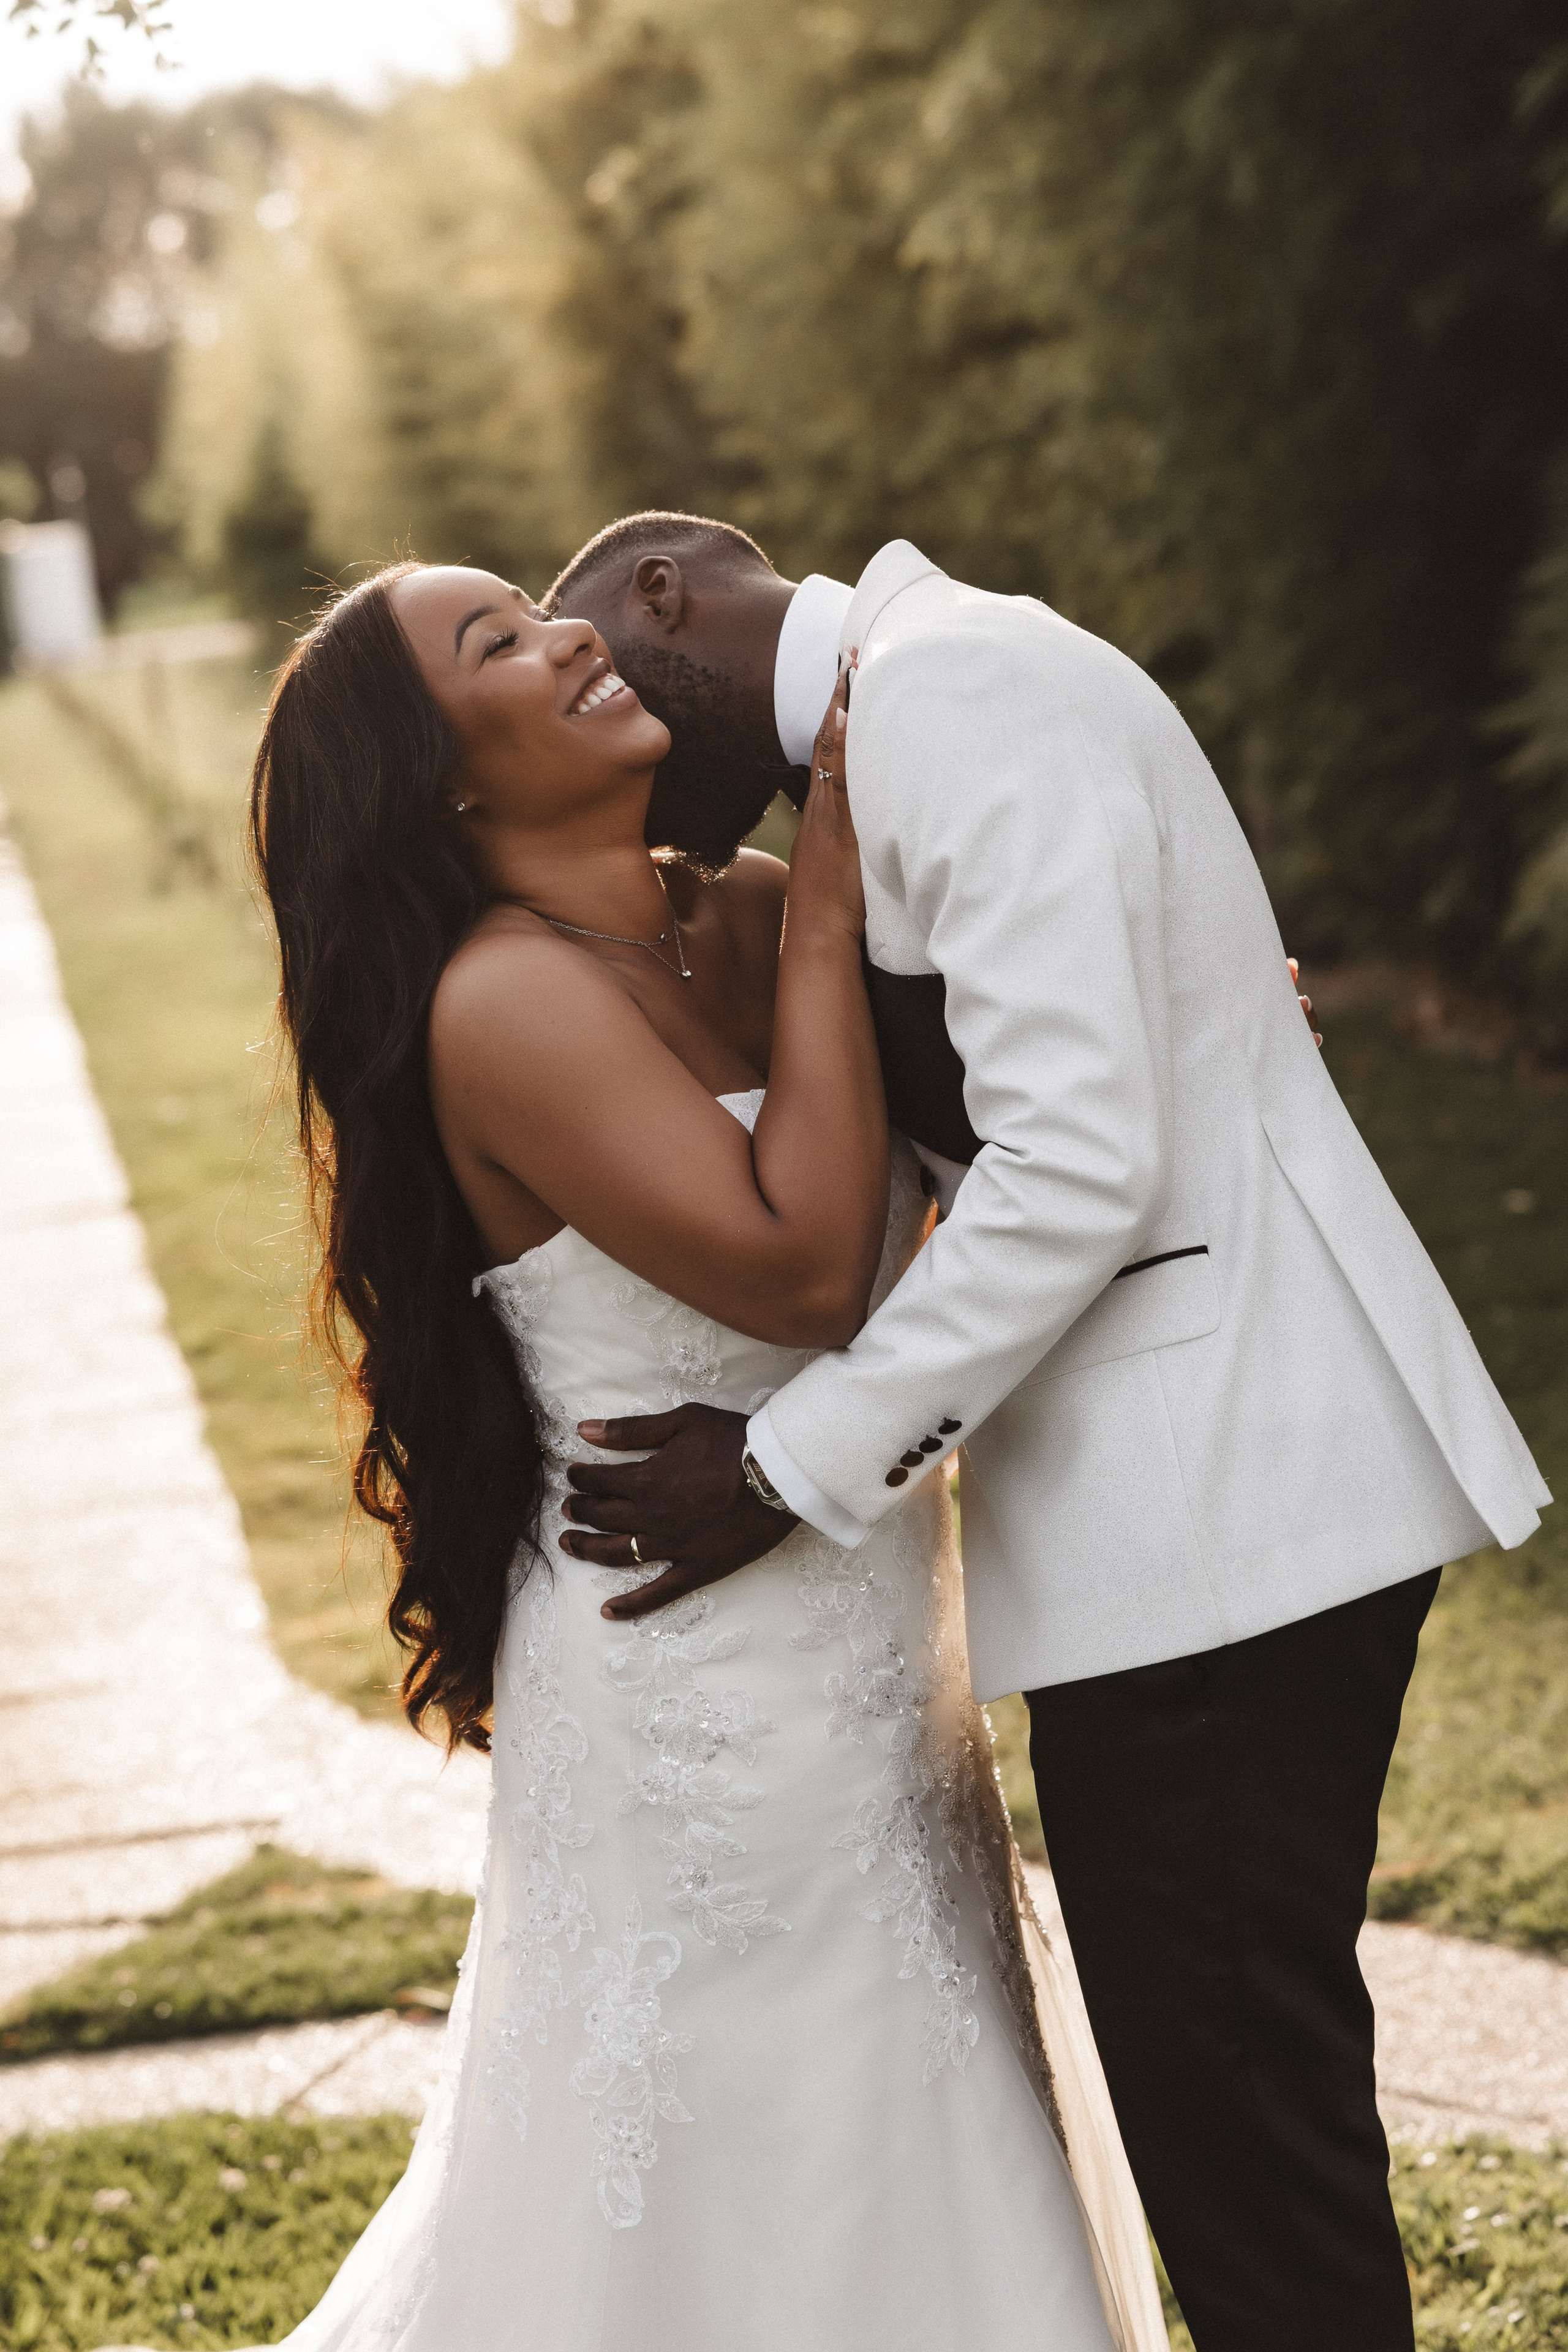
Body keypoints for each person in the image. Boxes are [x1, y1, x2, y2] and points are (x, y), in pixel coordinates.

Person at [550, 513, 1553, 2352]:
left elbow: (1081, 1161)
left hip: (1224, 1520)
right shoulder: (902, 728)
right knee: (1244, 2134)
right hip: (1195, 1530)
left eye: (598, 663)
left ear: (670, 593)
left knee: (1251, 2148)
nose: (605, 728)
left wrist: (788, 1466)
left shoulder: (953, 697)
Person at [247, 559, 1162, 2351]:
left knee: (914, 2113)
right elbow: (812, 1270)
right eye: (496, 643)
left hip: (881, 1667)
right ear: (441, 779)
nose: (571, 630)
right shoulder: (502, 1005)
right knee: (721, 2169)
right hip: (687, 1689)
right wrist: (824, 922)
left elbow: (1030, 1112)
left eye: (541, 606)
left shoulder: (726, 908)